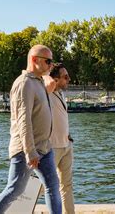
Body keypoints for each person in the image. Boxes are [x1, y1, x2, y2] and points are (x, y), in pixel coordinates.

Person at [0, 44, 62, 214]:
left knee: (52, 186)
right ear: (34, 60)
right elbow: (24, 121)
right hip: (26, 150)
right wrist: (30, 152)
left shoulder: (37, 82)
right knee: (15, 189)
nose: (51, 66)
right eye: (48, 61)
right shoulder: (24, 84)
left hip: (44, 147)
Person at [44, 63, 75, 214]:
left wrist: (67, 135)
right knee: (45, 185)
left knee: (67, 185)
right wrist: (47, 73)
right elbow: (43, 79)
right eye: (65, 77)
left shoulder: (61, 94)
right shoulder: (46, 93)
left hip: (66, 145)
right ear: (55, 79)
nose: (69, 79)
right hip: (52, 147)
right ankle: (22, 208)